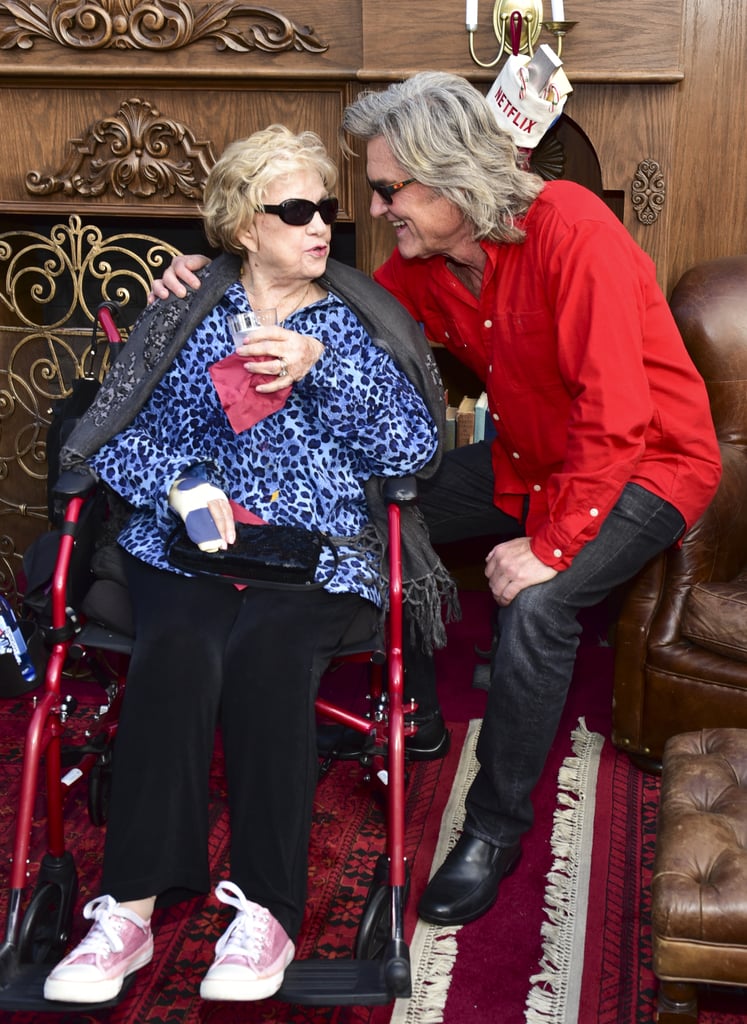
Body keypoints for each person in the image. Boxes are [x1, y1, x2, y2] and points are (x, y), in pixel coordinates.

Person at [149, 71, 722, 930]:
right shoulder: (426, 263)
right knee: (384, 508)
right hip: (528, 460)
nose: (378, 209)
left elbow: (616, 415)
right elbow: (329, 296)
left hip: (646, 463)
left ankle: (492, 830)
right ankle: (408, 706)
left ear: (450, 177)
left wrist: (551, 548)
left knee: (538, 608)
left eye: (388, 189)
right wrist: (213, 277)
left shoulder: (575, 229)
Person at [43, 123, 453, 1005]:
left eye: (328, 212)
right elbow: (118, 437)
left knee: (267, 664)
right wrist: (183, 482)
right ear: (241, 222)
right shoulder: (186, 310)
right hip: (191, 546)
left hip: (314, 551)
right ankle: (128, 908)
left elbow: (414, 451)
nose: (320, 228)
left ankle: (266, 911)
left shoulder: (355, 321)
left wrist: (322, 369)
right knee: (177, 653)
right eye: (296, 210)